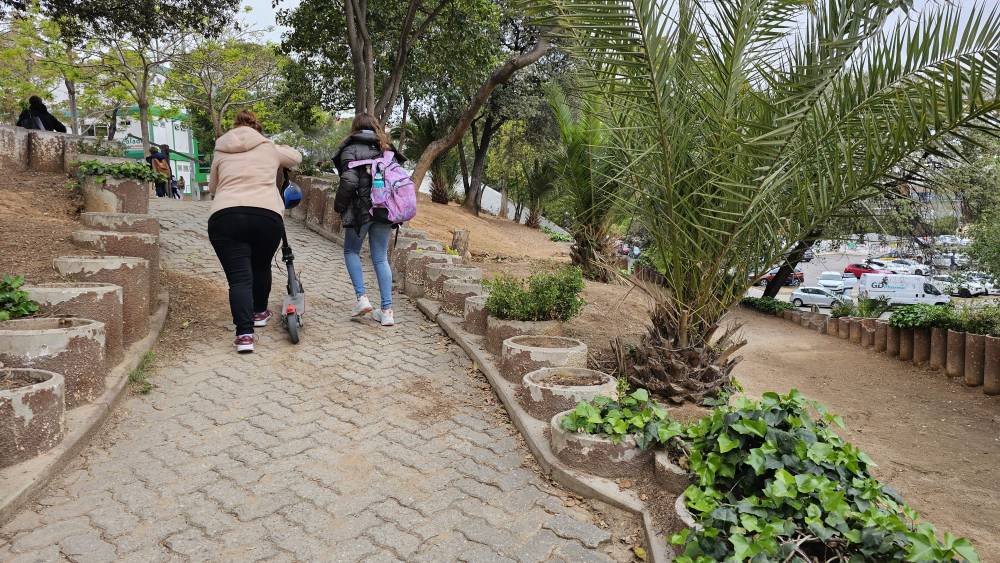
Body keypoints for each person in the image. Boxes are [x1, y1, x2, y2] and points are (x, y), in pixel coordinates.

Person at [208, 109, 302, 353]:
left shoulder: (220, 149)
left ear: (233, 127)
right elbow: (296, 158)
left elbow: (212, 187)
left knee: (239, 278)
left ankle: (244, 335)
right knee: (261, 265)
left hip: (225, 215)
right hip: (266, 215)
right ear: (257, 128)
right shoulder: (268, 146)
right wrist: (275, 146)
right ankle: (260, 312)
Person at [332, 113, 404, 327]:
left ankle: (362, 299)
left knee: (351, 251)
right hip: (384, 211)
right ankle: (387, 311)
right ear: (375, 128)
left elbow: (348, 180)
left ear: (355, 128)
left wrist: (339, 206)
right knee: (381, 258)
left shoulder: (349, 149)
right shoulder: (387, 149)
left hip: (361, 211)